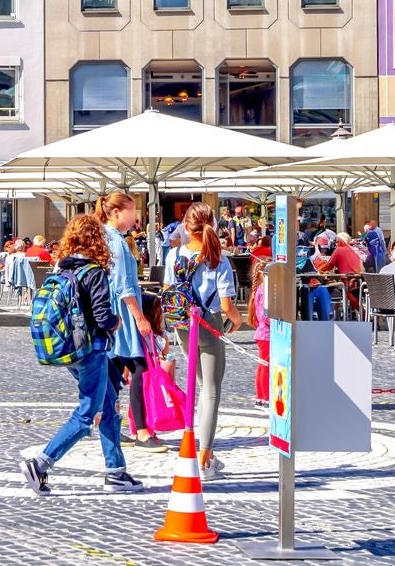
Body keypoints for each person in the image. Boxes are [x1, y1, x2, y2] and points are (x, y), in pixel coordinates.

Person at [21, 211, 133, 495]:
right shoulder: (95, 272)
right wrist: (117, 322)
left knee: (108, 406)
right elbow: (103, 317)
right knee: (87, 414)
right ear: (97, 240)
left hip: (72, 349)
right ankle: (42, 462)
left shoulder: (63, 269)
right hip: (93, 351)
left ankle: (116, 471)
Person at [166, 202, 241, 478]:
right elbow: (225, 305)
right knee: (210, 390)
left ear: (186, 226)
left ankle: (205, 451)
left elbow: (167, 290)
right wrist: (238, 320)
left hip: (181, 324)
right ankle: (205, 458)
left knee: (200, 384)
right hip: (207, 322)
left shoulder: (173, 255)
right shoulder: (217, 258)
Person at [98, 191, 155, 464]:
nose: (136, 216)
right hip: (122, 313)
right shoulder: (117, 242)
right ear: (117, 212)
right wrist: (139, 317)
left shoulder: (106, 238)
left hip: (110, 312)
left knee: (111, 372)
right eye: (132, 210)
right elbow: (123, 286)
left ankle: (109, 424)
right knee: (138, 368)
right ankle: (142, 432)